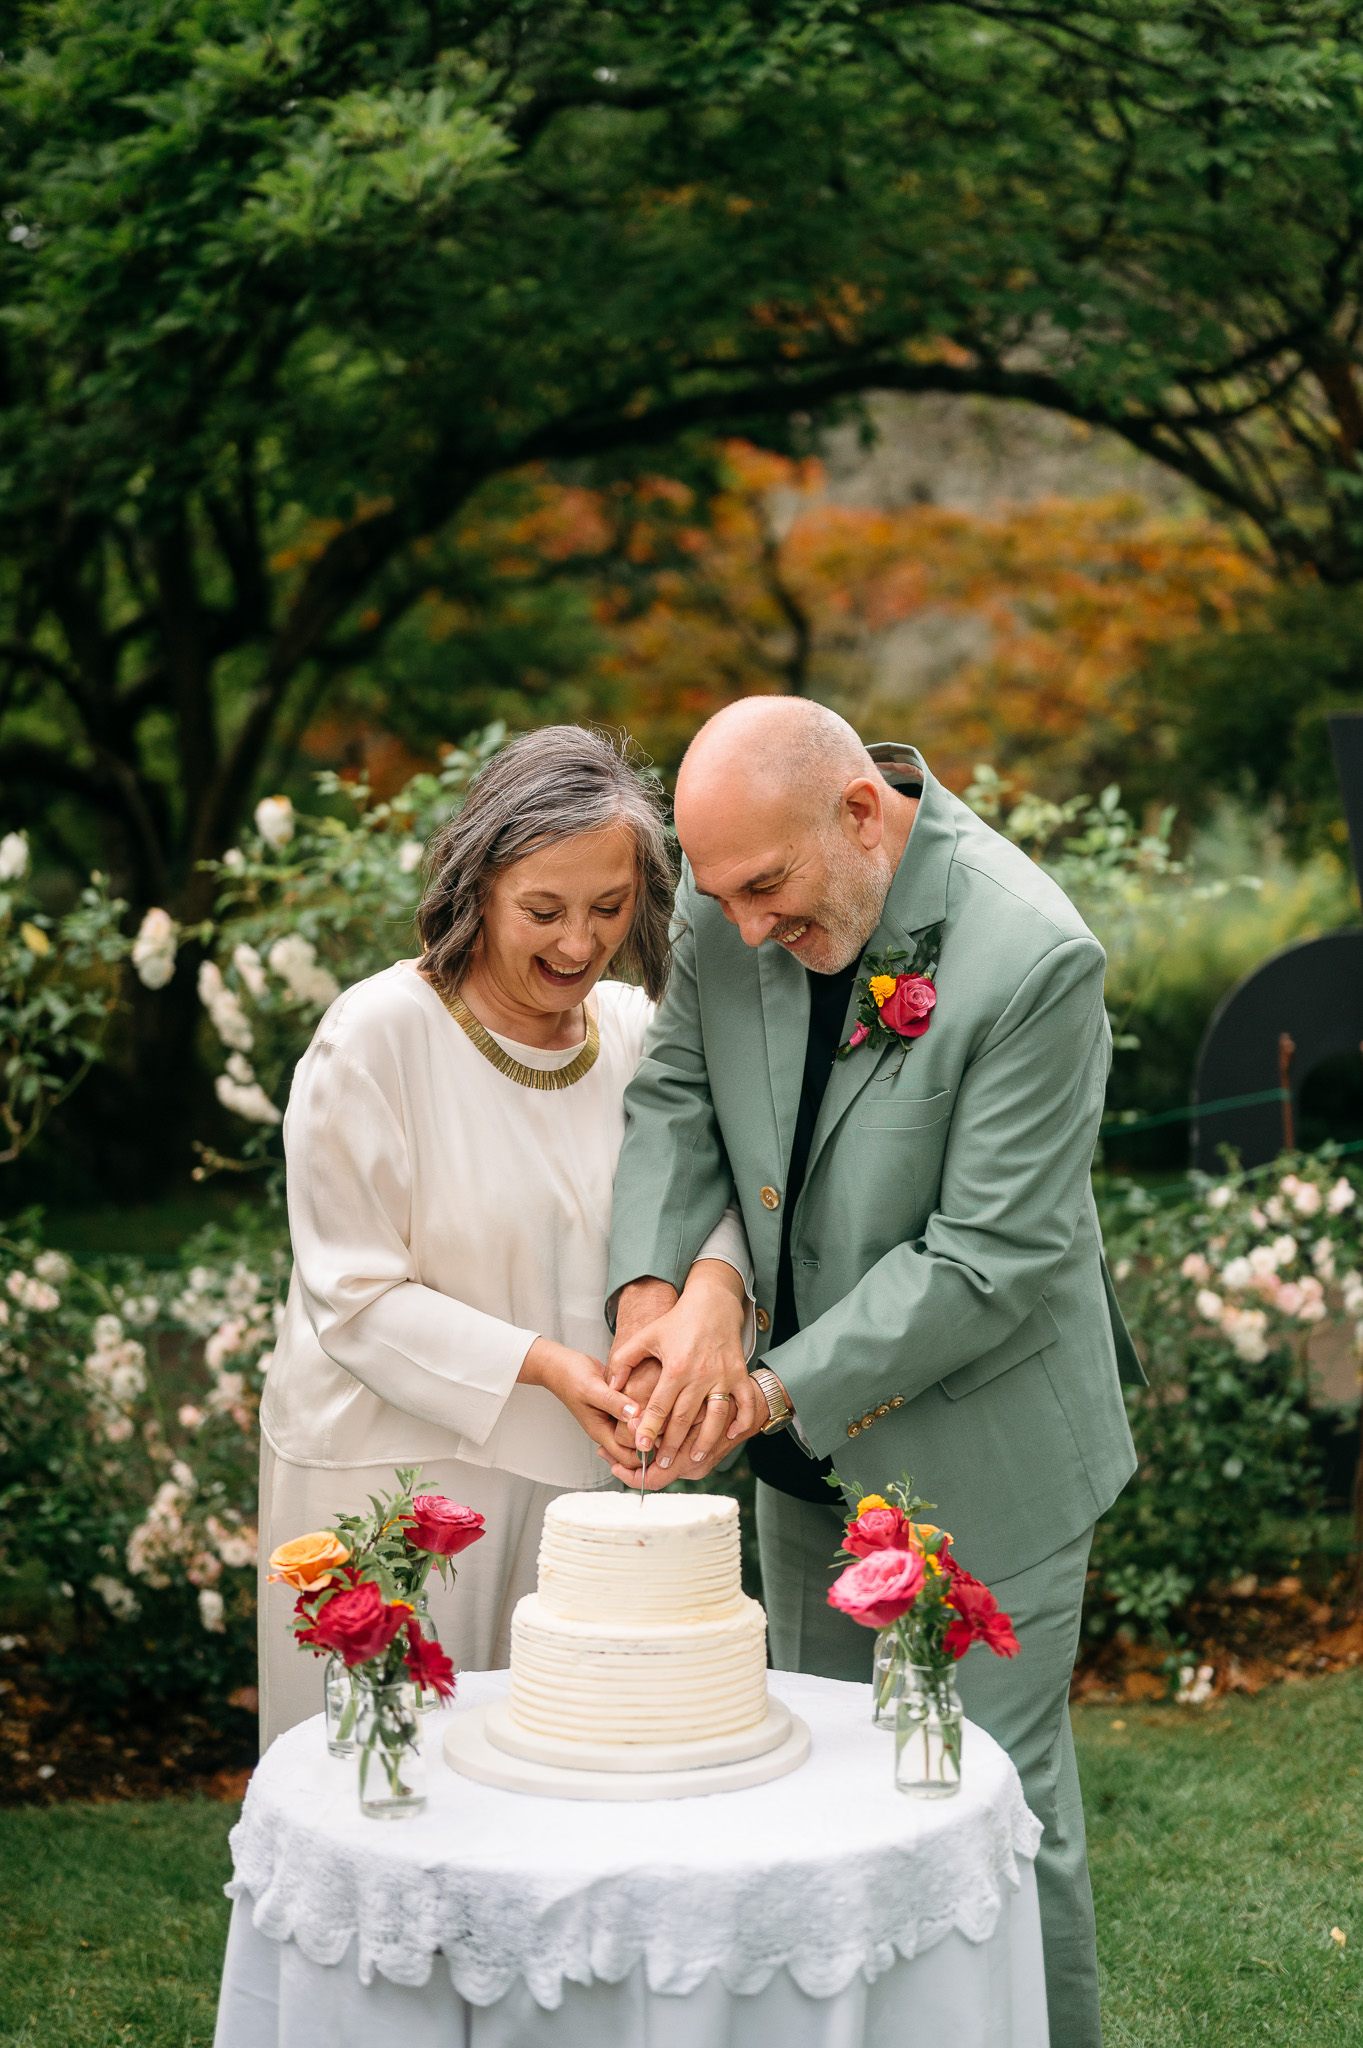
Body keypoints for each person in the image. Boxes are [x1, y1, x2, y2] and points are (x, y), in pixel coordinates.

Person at [605, 696, 1142, 2048]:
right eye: (716, 894)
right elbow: (674, 1097)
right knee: (824, 1807)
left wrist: (762, 1386)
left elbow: (984, 1263)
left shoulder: (1030, 958)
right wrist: (658, 1302)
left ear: (859, 813)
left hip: (981, 1456)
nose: (737, 929)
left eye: (763, 891)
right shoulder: (741, 891)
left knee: (990, 1817)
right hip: (799, 1461)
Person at [256, 726, 754, 1750]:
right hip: (390, 1476)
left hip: (577, 1484)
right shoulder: (377, 1036)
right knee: (389, 1773)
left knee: (551, 1783)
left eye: (608, 908)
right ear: (475, 883)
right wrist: (545, 1366)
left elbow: (715, 1195)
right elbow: (352, 1296)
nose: (579, 944)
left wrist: (710, 1294)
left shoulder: (630, 1032)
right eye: (543, 909)